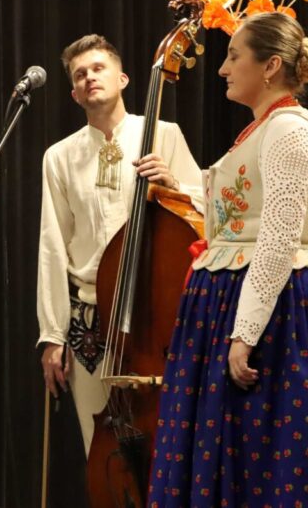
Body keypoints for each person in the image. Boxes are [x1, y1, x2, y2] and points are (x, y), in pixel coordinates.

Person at [147, 12, 308, 507]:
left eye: (233, 56)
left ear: (271, 66)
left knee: (269, 458)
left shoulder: (289, 131)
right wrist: (181, 190)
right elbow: (240, 216)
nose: (223, 68)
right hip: (236, 299)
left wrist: (245, 332)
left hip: (274, 310)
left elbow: (278, 239)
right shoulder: (262, 130)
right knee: (233, 455)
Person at [37, 33, 204, 455]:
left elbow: (206, 215)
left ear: (123, 79)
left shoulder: (164, 134)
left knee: (167, 443)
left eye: (98, 68)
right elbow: (52, 245)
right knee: (101, 447)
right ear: (75, 94)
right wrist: (53, 334)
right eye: (80, 75)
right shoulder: (59, 156)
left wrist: (174, 185)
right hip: (92, 316)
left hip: (153, 310)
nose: (89, 77)